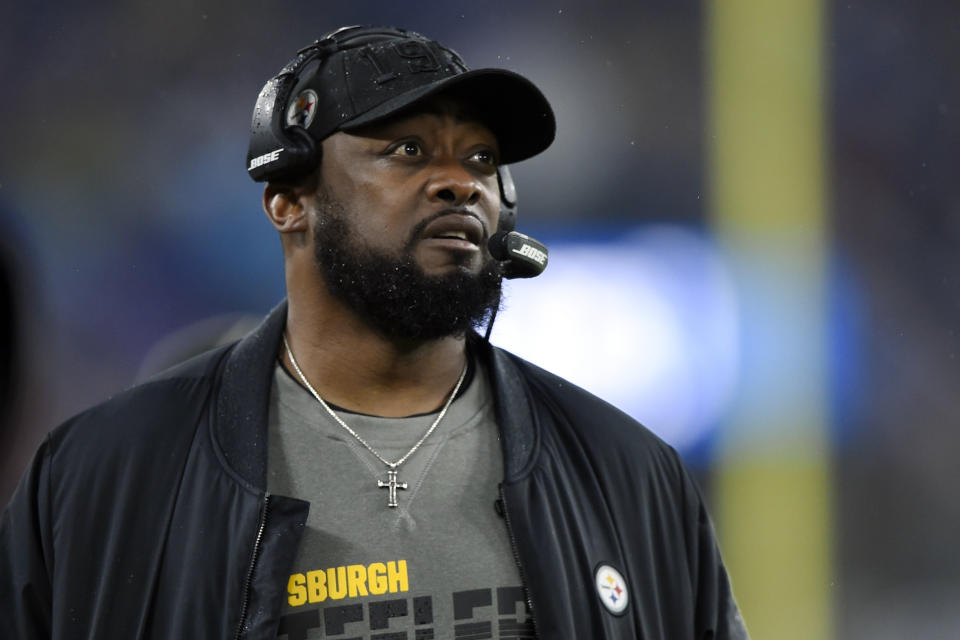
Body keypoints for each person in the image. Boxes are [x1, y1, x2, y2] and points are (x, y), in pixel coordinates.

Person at [0, 26, 748, 639]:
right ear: (290, 201)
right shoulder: (107, 472)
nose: (463, 182)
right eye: (408, 151)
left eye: (482, 158)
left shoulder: (628, 473)